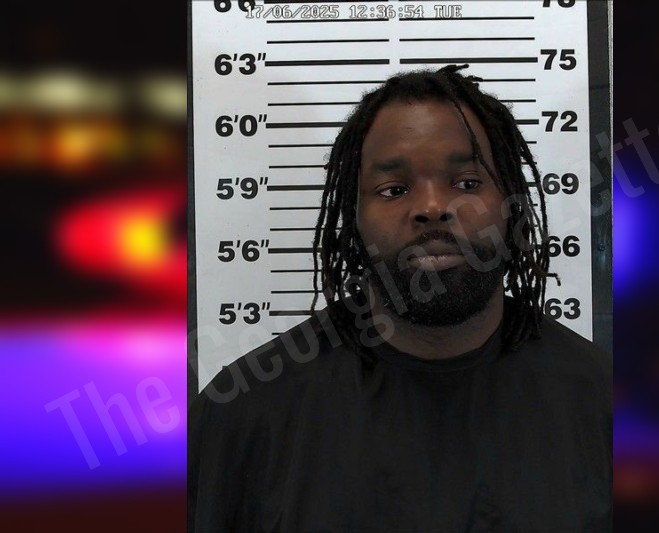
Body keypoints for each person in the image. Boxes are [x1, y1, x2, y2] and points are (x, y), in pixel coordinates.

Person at [188, 65, 612, 532]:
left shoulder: (604, 403)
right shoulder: (245, 414)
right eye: (394, 189)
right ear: (354, 219)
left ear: (511, 206)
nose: (432, 208)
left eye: (467, 183)